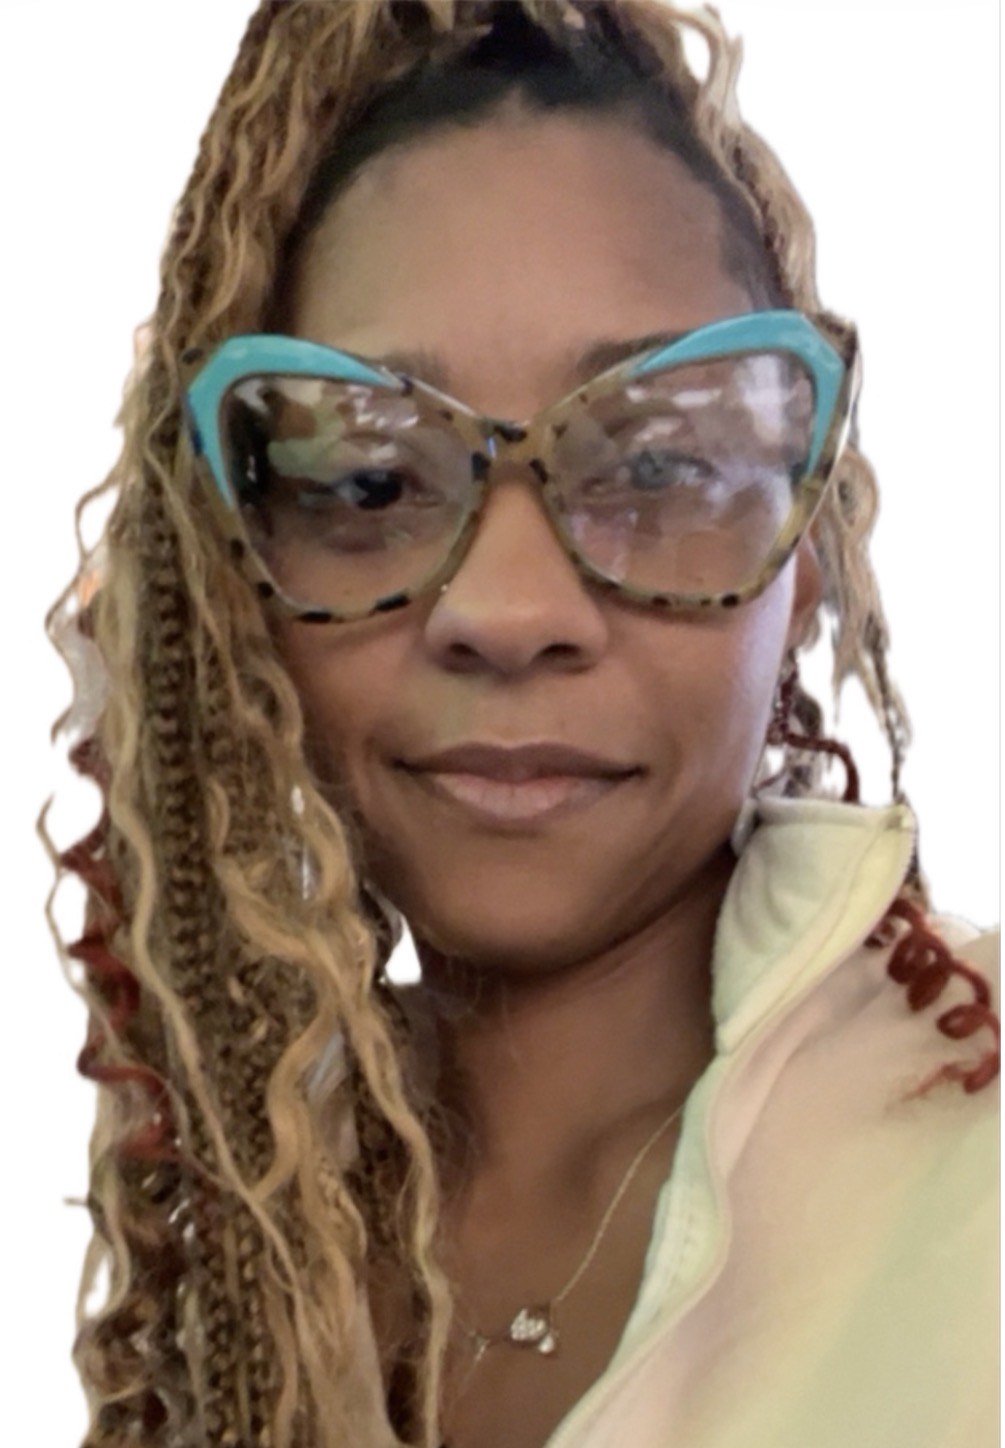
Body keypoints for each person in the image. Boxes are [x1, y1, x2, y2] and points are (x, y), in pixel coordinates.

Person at [48, 3, 998, 1446]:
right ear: (230, 588)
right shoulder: (242, 1217)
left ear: (805, 548)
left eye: (658, 463)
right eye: (368, 481)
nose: (505, 609)